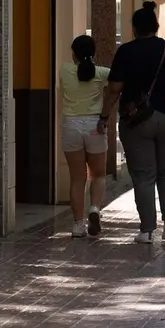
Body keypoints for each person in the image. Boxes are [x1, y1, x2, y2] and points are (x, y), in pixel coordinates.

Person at [99, 2, 165, 244]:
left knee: (143, 175)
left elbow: (114, 89)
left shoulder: (125, 52)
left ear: (133, 29)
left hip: (137, 121)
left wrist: (104, 116)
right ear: (156, 26)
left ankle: (147, 230)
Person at [59, 35, 110, 238]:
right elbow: (117, 85)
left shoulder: (64, 70)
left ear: (74, 54)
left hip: (71, 125)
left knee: (77, 178)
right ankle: (95, 209)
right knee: (98, 174)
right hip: (94, 125)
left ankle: (78, 225)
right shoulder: (102, 73)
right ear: (94, 53)